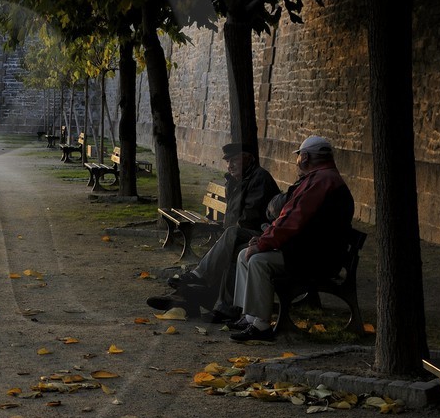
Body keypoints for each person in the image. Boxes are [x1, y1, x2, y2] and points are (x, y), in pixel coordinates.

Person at [226, 135, 355, 341]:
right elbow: (290, 219)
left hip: (316, 257)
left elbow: (292, 219)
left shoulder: (319, 181)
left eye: (299, 157)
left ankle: (261, 325)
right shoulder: (323, 178)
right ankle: (249, 317)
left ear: (305, 158)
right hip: (312, 250)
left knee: (257, 260)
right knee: (245, 255)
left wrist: (262, 244)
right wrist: (262, 241)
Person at [148, 143, 280, 318]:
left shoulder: (260, 178)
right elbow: (233, 217)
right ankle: (186, 298)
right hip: (241, 233)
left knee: (231, 244)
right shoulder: (235, 181)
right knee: (228, 245)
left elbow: (250, 218)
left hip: (259, 234)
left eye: (234, 160)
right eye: (227, 161)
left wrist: (226, 237)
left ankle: (201, 286)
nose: (229, 165)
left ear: (248, 158)